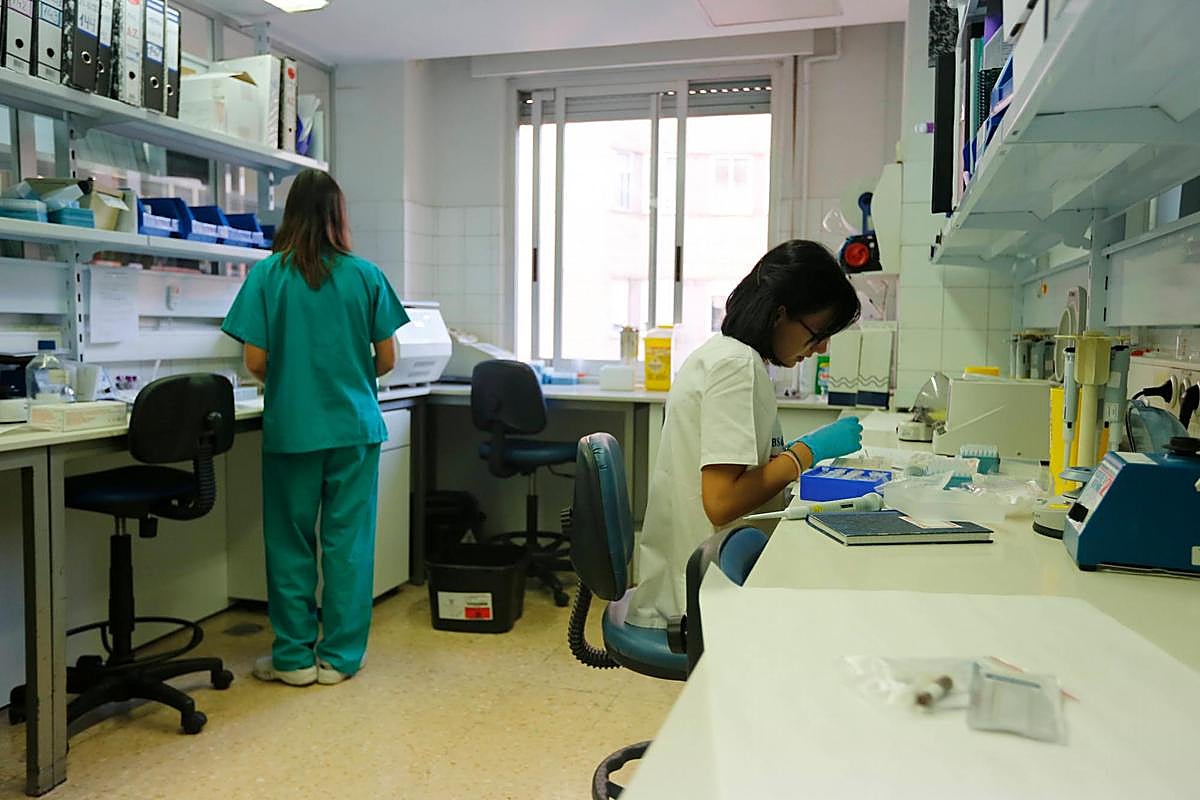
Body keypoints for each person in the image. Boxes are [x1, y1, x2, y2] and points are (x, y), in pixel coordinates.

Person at [221, 169, 410, 686]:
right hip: (353, 427)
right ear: (338, 216)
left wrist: (294, 382)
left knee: (289, 543)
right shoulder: (365, 275)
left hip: (293, 428)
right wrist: (345, 375)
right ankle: (341, 657)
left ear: (290, 214)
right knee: (347, 543)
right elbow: (388, 358)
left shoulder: (267, 275)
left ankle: (294, 659)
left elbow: (254, 359)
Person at [628, 240, 863, 629]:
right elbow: (721, 503)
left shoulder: (732, 357)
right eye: (818, 332)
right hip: (699, 597)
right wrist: (808, 452)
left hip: (708, 571)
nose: (821, 347)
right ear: (780, 315)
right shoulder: (735, 365)